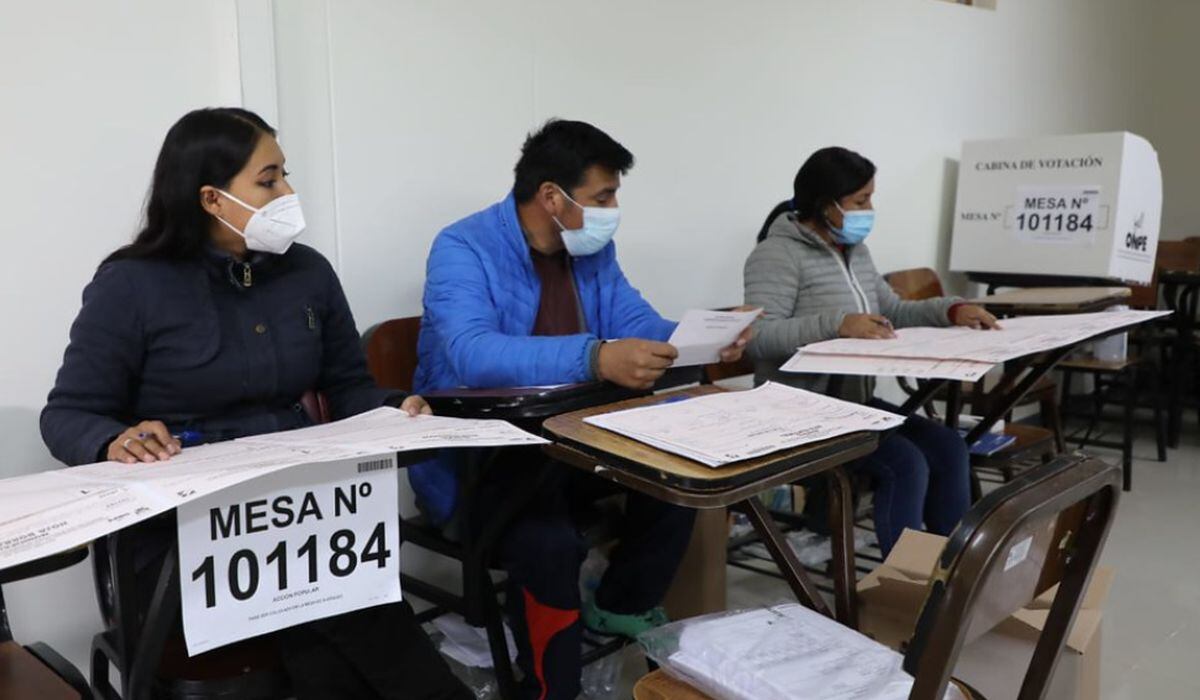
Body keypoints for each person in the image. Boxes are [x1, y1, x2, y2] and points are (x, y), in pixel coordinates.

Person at [41, 107, 471, 700]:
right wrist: (112, 440)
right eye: (269, 180)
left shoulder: (308, 273)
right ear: (212, 199)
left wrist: (396, 408)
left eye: (284, 175)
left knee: (364, 637)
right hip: (181, 534)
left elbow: (348, 388)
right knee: (346, 644)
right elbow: (66, 414)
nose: (288, 192)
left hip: (302, 517)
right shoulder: (131, 285)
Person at [414, 119, 750, 700]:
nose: (612, 210)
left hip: (575, 440)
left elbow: (635, 323)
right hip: (484, 454)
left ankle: (619, 604)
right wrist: (596, 359)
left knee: (683, 475)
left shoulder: (589, 251)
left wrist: (700, 336)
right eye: (603, 197)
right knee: (549, 543)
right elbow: (473, 353)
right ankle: (552, 688)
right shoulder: (462, 246)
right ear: (552, 197)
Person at [742, 146, 999, 555]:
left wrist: (952, 308)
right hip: (798, 411)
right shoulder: (776, 254)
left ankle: (955, 572)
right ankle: (906, 586)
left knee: (948, 446)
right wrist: (837, 324)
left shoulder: (855, 252)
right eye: (861, 200)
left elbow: (892, 309)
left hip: (852, 402)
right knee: (905, 464)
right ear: (826, 204)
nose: (870, 209)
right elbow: (758, 335)